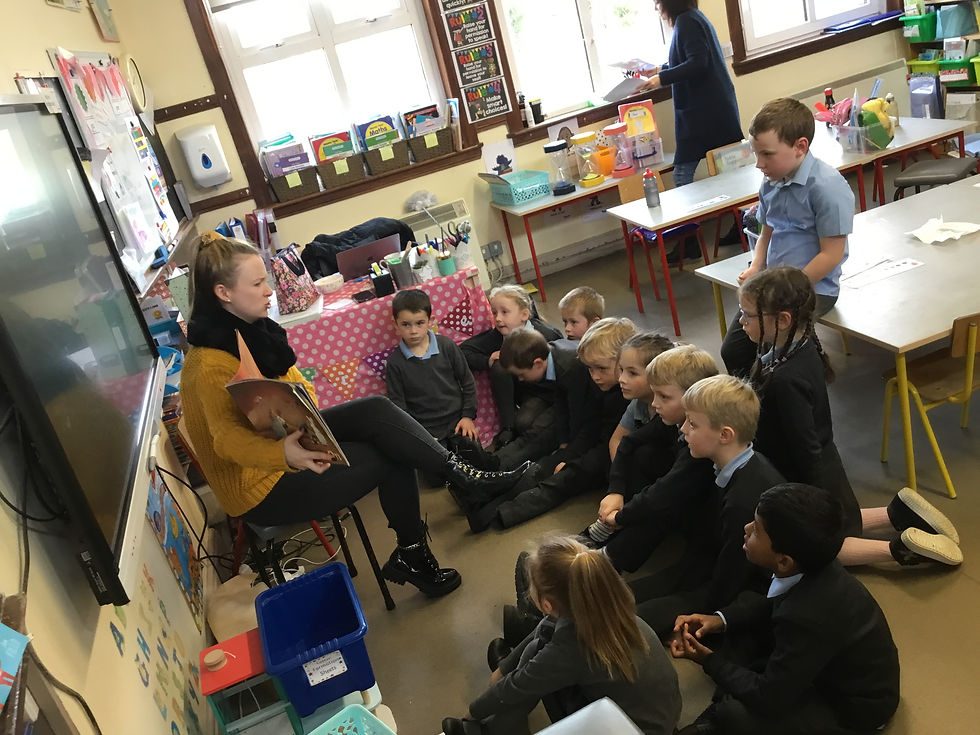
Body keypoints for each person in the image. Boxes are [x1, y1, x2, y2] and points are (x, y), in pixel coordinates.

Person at [179, 233, 533, 598]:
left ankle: (464, 479)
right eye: (257, 284)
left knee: (375, 409)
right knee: (394, 454)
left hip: (290, 437)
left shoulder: (254, 332)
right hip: (261, 485)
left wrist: (293, 413)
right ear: (224, 293)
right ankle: (424, 541)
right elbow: (225, 440)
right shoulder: (208, 363)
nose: (269, 291)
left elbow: (301, 389)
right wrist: (282, 451)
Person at [740, 266, 962, 567]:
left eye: (747, 315)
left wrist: (816, 496)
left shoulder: (785, 379)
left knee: (820, 547)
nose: (741, 321)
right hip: (824, 462)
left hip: (806, 472)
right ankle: (897, 513)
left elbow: (803, 444)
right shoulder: (802, 346)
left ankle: (900, 549)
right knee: (842, 521)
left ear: (782, 320)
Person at [671, 484, 901, 735]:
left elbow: (768, 697)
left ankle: (717, 718)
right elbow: (773, 602)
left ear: (783, 561)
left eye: (756, 530)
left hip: (852, 708)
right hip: (822, 662)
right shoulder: (811, 565)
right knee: (741, 636)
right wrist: (719, 620)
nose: (746, 529)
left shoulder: (806, 615)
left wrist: (708, 660)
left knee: (734, 713)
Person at [441, 537, 681, 735]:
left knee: (532, 671)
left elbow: (519, 686)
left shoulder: (574, 647)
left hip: (631, 728)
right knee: (536, 652)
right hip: (653, 715)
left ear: (546, 604)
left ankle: (491, 730)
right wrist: (505, 669)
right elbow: (547, 627)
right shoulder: (603, 609)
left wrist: (472, 712)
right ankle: (496, 726)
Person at [633, 375, 782, 637]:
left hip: (743, 589)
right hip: (707, 563)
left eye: (692, 424)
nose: (683, 429)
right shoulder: (728, 464)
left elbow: (732, 578)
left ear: (725, 435)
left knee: (632, 621)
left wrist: (710, 618)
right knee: (622, 595)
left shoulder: (743, 501)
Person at [721, 97, 854, 377]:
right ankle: (751, 397)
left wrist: (789, 290)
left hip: (813, 289)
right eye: (756, 154)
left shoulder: (827, 187)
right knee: (733, 350)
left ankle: (779, 387)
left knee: (771, 359)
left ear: (800, 147)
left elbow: (831, 254)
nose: (759, 164)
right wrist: (757, 265)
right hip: (775, 286)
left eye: (767, 154)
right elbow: (766, 230)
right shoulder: (770, 182)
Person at [485, 318, 635, 530]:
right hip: (595, 443)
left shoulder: (626, 395)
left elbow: (608, 444)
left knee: (562, 478)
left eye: (601, 369)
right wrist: (569, 452)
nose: (595, 376)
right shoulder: (600, 384)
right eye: (590, 369)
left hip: (610, 459)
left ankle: (500, 512)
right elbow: (590, 426)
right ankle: (489, 493)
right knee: (545, 465)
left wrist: (575, 461)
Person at [595, 345, 719, 573]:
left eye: (664, 396)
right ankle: (605, 537)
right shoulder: (672, 419)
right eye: (655, 395)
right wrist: (616, 491)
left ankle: (603, 563)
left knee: (658, 507)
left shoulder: (700, 446)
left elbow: (664, 494)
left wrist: (621, 516)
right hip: (675, 491)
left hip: (705, 516)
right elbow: (628, 442)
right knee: (644, 456)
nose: (654, 404)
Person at [583, 331, 676, 546]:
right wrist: (620, 480)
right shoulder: (638, 403)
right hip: (645, 481)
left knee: (644, 454)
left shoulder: (670, 412)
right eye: (622, 370)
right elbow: (617, 440)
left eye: (632, 373)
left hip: (666, 484)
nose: (621, 379)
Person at [638, 2, 742, 188]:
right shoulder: (693, 17)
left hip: (705, 115)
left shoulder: (686, 22)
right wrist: (659, 70)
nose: (656, 8)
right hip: (712, 110)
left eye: (658, 3)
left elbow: (698, 63)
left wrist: (661, 79)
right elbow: (688, 60)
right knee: (730, 171)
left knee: (682, 175)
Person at [461, 285, 561, 448]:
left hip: (547, 393)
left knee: (526, 424)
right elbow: (463, 351)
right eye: (494, 313)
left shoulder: (547, 336)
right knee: (499, 366)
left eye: (504, 312)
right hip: (525, 394)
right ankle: (508, 426)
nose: (498, 318)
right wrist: (487, 360)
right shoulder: (498, 335)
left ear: (524, 315)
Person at [385, 289, 478, 446]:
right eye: (406, 324)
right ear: (396, 325)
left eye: (420, 323)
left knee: (473, 452)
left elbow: (467, 381)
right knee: (434, 460)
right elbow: (398, 405)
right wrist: (416, 432)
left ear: (430, 321)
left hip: (458, 420)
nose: (413, 331)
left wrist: (467, 416)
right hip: (425, 429)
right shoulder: (395, 363)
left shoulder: (447, 346)